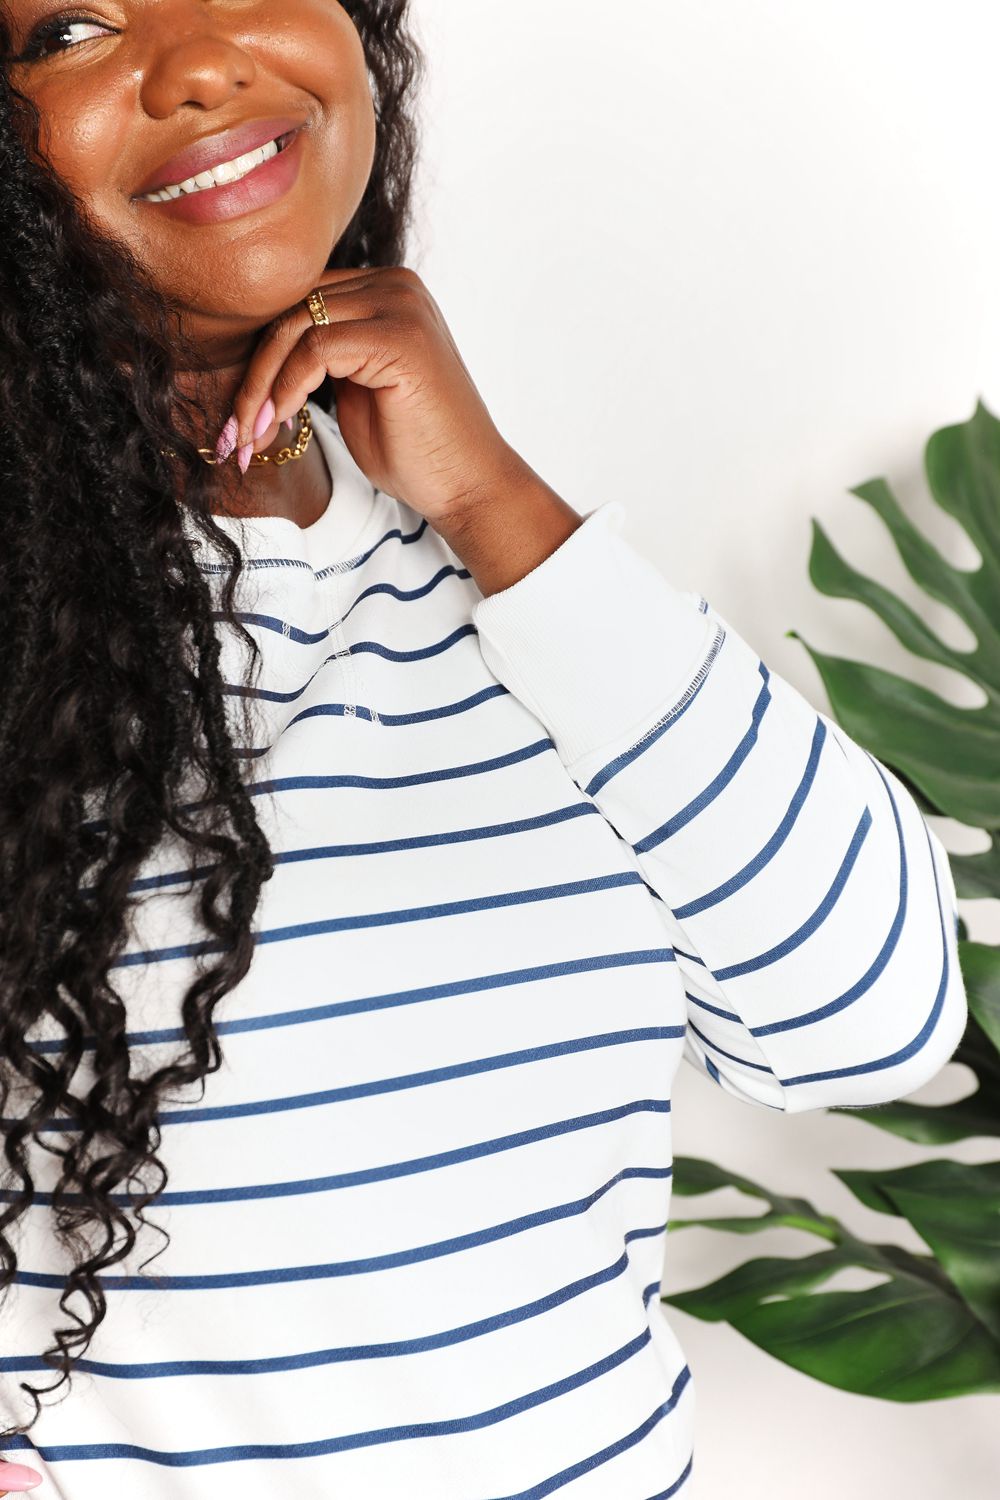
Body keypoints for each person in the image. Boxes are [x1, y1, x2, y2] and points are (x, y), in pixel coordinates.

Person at [0, 2, 968, 1496]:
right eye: (67, 26)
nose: (198, 61)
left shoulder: (515, 592)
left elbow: (873, 1016)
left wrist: (499, 503)